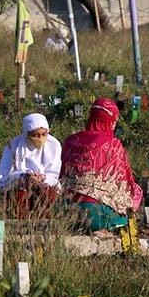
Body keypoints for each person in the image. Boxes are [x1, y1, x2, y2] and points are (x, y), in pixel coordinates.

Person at [60, 98, 143, 232]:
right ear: (112, 122)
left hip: (66, 213)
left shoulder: (70, 141)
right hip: (97, 216)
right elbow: (126, 184)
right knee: (136, 193)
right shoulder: (113, 144)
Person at [0, 113, 62, 219]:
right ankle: (20, 221)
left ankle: (44, 220)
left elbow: (55, 174)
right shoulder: (14, 146)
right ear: (27, 134)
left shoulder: (53, 145)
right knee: (20, 192)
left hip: (44, 184)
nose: (40, 138)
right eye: (36, 135)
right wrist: (24, 176)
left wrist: (43, 178)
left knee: (47, 192)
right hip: (21, 184)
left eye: (43, 134)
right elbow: (3, 177)